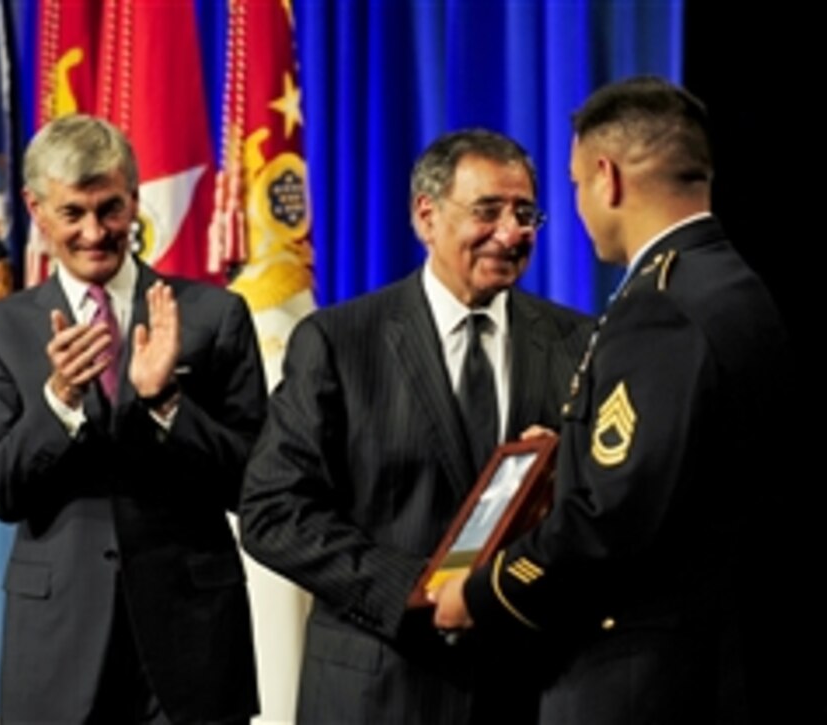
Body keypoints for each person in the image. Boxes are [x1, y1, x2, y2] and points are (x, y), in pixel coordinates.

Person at [431, 76, 791, 723]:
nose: (576, 205)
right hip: (722, 659)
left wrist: (483, 593)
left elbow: (610, 520)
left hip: (639, 680)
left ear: (608, 177)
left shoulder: (660, 305)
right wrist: (570, 457)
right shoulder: (737, 285)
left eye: (572, 185)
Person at [238, 128, 592, 723]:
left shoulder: (578, 342)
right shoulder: (340, 342)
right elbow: (274, 512)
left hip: (526, 690)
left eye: (525, 213)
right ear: (425, 216)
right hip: (378, 690)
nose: (512, 232)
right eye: (488, 211)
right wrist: (420, 590)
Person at [0, 114, 266, 723]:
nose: (95, 233)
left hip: (193, 642)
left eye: (111, 209)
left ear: (134, 198)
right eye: (73, 213)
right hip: (56, 642)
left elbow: (254, 483)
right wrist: (58, 403)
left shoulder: (213, 316)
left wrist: (165, 406)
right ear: (36, 209)